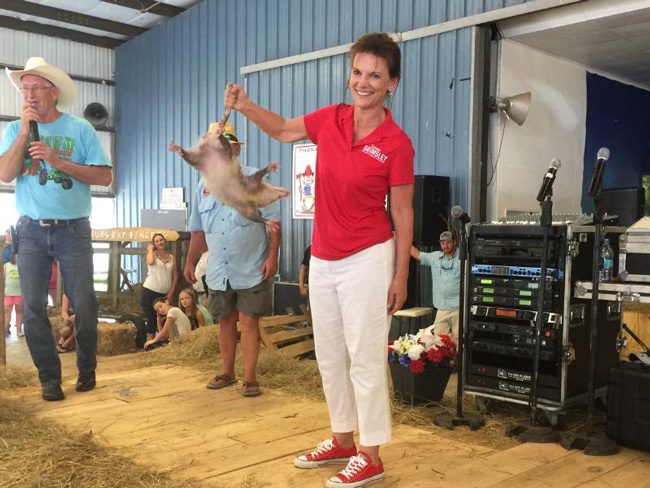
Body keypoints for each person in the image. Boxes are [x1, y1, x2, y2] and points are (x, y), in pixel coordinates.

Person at [223, 32, 414, 487]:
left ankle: (371, 453)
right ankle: (343, 439)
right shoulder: (331, 118)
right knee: (330, 356)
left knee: (364, 357)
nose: (362, 82)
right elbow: (286, 129)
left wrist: (401, 272)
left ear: (392, 83)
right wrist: (247, 106)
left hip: (369, 256)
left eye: (375, 75)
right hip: (325, 255)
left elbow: (403, 211)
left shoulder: (395, 143)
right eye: (357, 72)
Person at [0, 57, 112, 401]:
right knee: (33, 308)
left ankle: (86, 368)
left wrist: (57, 160)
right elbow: (5, 174)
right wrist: (23, 133)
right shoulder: (12, 130)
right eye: (24, 89)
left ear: (53, 92)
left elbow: (104, 177)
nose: (29, 95)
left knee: (85, 303)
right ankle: (49, 379)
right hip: (31, 230)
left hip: (73, 229)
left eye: (35, 88)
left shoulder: (80, 129)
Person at [183, 122, 281, 399]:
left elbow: (274, 224)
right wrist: (190, 261)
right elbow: (197, 229)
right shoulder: (203, 186)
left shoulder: (255, 181)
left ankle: (249, 377)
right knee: (224, 319)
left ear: (236, 150)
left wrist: (272, 258)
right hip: (219, 268)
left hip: (251, 265)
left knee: (249, 321)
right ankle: (227, 371)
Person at [411, 230, 460, 339]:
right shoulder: (435, 257)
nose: (445, 246)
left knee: (459, 341)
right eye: (442, 243)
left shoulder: (463, 257)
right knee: (439, 341)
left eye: (448, 242)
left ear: (454, 242)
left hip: (459, 308)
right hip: (442, 307)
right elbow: (418, 254)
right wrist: (401, 241)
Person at [140, 233, 178, 342]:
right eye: (156, 241)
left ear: (165, 242)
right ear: (154, 244)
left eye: (161, 240)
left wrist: (171, 291)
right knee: (152, 319)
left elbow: (175, 276)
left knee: (163, 318)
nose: (159, 242)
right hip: (149, 291)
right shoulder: (152, 255)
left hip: (163, 293)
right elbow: (150, 262)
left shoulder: (172, 257)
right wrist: (150, 249)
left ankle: (161, 343)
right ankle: (149, 346)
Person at [4, 252, 23, 337]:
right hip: (8, 293)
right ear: (13, 256)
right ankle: (5, 330)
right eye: (17, 256)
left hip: (19, 293)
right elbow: (2, 278)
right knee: (7, 311)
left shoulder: (22, 266)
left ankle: (19, 330)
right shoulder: (6, 265)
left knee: (19, 311)